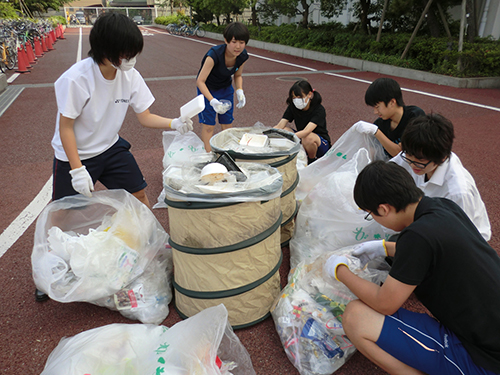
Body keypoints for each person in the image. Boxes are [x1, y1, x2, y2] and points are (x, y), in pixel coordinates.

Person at [42, 13, 193, 302]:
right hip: (75, 153)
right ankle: (49, 267)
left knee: (139, 195)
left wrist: (174, 123)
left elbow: (145, 116)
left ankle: (153, 249)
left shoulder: (129, 76)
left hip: (110, 148)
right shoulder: (76, 79)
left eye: (133, 53)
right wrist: (77, 170)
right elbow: (66, 127)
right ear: (106, 49)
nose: (131, 59)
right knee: (62, 211)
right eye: (126, 53)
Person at [325, 160, 500, 375]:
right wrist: (384, 248)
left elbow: (384, 303)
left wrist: (340, 271)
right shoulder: (442, 207)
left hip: (486, 360)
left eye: (372, 214)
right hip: (490, 332)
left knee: (355, 317)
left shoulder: (416, 238)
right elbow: (434, 249)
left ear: (383, 208)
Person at [391, 113, 491, 240]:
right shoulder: (415, 156)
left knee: (401, 243)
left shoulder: (457, 192)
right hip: (433, 221)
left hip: (461, 240)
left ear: (442, 157)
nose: (411, 164)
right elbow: (388, 171)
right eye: (408, 155)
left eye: (419, 160)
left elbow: (460, 239)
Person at [196, 22, 249, 152]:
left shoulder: (242, 56)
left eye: (242, 42)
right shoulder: (214, 55)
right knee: (209, 126)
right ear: (226, 40)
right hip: (207, 90)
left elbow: (237, 75)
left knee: (227, 124)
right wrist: (212, 100)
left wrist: (240, 91)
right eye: (234, 42)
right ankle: (209, 155)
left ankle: (226, 153)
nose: (238, 46)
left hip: (225, 90)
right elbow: (200, 81)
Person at [355, 77, 424, 158]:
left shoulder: (415, 116)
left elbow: (402, 154)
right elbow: (371, 155)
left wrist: (377, 132)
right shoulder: (380, 124)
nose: (375, 112)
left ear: (392, 102)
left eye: (377, 107)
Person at [274, 80, 331, 164]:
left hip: (319, 143)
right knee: (283, 130)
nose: (296, 100)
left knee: (308, 137)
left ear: (309, 95)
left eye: (299, 97)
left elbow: (307, 131)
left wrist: (289, 137)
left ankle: (311, 160)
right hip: (301, 138)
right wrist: (268, 134)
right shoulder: (292, 107)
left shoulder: (319, 109)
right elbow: (280, 125)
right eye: (294, 98)